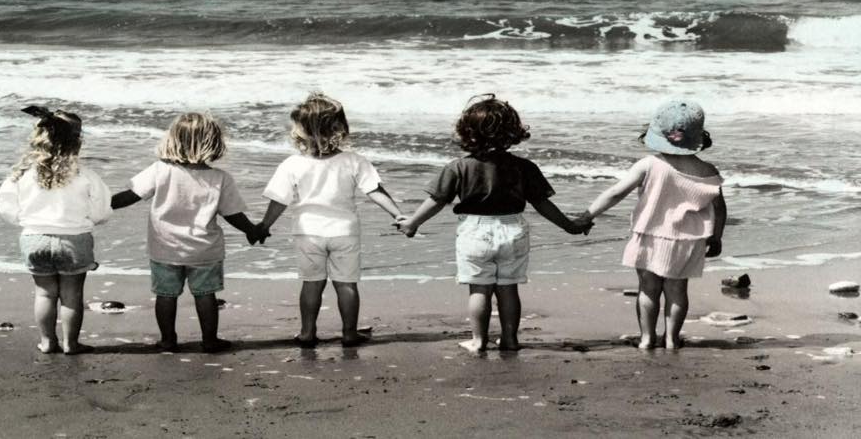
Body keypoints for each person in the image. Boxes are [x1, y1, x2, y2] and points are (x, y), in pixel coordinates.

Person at [396, 94, 591, 352]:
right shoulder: (524, 167)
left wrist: (412, 223)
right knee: (508, 288)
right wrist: (570, 225)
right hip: (513, 229)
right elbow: (542, 203)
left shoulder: (458, 167)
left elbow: (437, 201)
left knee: (480, 288)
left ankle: (478, 341)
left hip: (474, 231)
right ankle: (510, 340)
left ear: (467, 132)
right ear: (513, 131)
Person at [577, 100, 726, 350]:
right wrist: (716, 236)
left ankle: (647, 338)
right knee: (677, 291)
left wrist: (587, 215)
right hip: (688, 240)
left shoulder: (649, 164)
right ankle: (672, 339)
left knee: (648, 289)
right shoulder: (708, 170)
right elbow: (720, 208)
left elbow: (616, 193)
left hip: (650, 234)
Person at [257, 93, 402, 348]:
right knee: (346, 284)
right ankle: (349, 333)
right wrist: (397, 214)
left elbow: (279, 200)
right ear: (339, 128)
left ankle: (307, 333)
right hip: (344, 232)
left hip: (308, 233)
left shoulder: (292, 164)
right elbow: (375, 190)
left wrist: (263, 226)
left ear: (301, 131)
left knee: (311, 284)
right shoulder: (354, 160)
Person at [111, 112, 260, 353]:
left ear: (173, 140)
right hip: (204, 250)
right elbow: (232, 214)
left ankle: (168, 340)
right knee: (206, 295)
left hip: (165, 247)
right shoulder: (220, 178)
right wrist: (252, 230)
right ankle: (209, 340)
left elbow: (131, 195)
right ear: (214, 143)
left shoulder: (160, 170)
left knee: (166, 295)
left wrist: (102, 206)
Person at [0, 105, 112, 355]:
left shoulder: (23, 173)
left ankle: (48, 341)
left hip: (34, 238)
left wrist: (24, 221)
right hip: (74, 240)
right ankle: (71, 343)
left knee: (44, 293)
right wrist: (89, 221)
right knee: (72, 295)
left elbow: (5, 205)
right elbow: (102, 210)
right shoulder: (85, 174)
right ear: (77, 141)